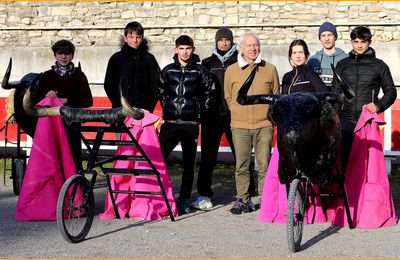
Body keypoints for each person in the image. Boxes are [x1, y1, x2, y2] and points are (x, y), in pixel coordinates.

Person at [158, 35, 215, 215]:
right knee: (158, 159)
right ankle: (159, 195)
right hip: (171, 122)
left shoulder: (200, 71)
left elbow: (209, 94)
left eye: (188, 48)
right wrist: (169, 109)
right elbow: (161, 91)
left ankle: (183, 199)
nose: (185, 52)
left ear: (193, 49)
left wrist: (199, 114)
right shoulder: (167, 70)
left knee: (189, 164)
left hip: (190, 123)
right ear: (176, 50)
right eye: (181, 48)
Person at [224, 32, 280, 215]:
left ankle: (266, 199)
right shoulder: (231, 70)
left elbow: (275, 94)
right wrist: (236, 110)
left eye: (255, 45)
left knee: (264, 165)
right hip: (240, 125)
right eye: (249, 45)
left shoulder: (270, 69)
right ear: (241, 47)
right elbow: (228, 96)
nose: (253, 48)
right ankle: (243, 199)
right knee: (242, 164)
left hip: (264, 125)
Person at [333, 26, 397, 172]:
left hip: (367, 122)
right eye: (356, 41)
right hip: (345, 122)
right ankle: (347, 195)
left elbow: (391, 92)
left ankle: (365, 195)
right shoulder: (342, 65)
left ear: (370, 42)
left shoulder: (380, 65)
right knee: (343, 166)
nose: (359, 45)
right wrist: (335, 118)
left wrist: (379, 106)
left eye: (363, 41)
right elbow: (335, 93)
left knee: (367, 168)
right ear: (351, 42)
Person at [191, 27, 238, 210]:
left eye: (227, 40)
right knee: (208, 156)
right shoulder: (207, 63)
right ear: (216, 42)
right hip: (212, 115)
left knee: (240, 155)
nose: (224, 43)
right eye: (221, 40)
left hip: (234, 114)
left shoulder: (239, 61)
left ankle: (247, 193)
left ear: (232, 42)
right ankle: (204, 194)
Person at [34, 39, 93, 171]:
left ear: (72, 55)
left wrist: (66, 100)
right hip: (51, 125)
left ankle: (76, 184)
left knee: (73, 156)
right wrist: (46, 96)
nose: (64, 57)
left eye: (67, 54)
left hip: (72, 124)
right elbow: (36, 100)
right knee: (51, 155)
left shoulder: (79, 75)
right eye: (60, 53)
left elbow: (88, 100)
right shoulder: (46, 76)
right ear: (55, 55)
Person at [104, 21, 161, 111]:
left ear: (142, 38)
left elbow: (156, 85)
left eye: (138, 37)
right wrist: (119, 104)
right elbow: (109, 85)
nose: (135, 40)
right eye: (131, 37)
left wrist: (148, 108)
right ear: (125, 38)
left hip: (144, 111)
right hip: (120, 110)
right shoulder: (116, 58)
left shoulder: (149, 59)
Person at [308, 21, 348, 89]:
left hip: (339, 98)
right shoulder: (313, 60)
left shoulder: (345, 58)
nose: (327, 39)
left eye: (330, 35)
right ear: (320, 38)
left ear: (335, 37)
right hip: (319, 98)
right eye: (323, 35)